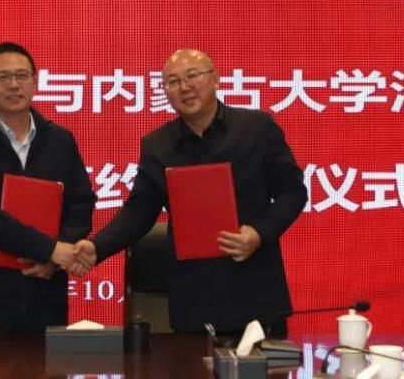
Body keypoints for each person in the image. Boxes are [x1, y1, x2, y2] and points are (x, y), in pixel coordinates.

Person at [74, 49, 307, 337]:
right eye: (173, 82)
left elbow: (293, 191)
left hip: (255, 288)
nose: (184, 87)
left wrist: (259, 233)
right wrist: (97, 247)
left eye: (192, 75)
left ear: (215, 79)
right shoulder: (158, 145)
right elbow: (140, 210)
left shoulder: (257, 128)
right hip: (194, 297)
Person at [0, 42, 96, 336]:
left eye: (22, 76)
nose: (14, 85)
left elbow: (81, 203)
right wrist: (49, 249)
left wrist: (56, 257)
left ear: (35, 83)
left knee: (47, 362)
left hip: (46, 290)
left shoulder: (60, 140)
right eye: (2, 77)